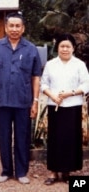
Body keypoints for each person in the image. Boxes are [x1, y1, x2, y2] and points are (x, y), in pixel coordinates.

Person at [0, 12, 42, 184]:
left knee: (22, 136)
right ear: (6, 27)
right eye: (11, 25)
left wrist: (35, 102)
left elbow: (36, 77)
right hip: (1, 100)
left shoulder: (31, 49)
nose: (15, 29)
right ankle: (6, 171)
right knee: (3, 136)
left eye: (18, 26)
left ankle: (21, 172)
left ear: (23, 28)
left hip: (23, 101)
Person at [41, 34, 89, 185]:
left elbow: (86, 84)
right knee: (55, 139)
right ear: (57, 48)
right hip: (55, 106)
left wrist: (71, 93)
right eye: (62, 46)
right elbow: (43, 84)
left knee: (70, 139)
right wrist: (53, 96)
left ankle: (67, 172)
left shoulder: (79, 64)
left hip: (73, 106)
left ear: (73, 48)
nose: (65, 49)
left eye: (68, 46)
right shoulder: (50, 64)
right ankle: (53, 172)